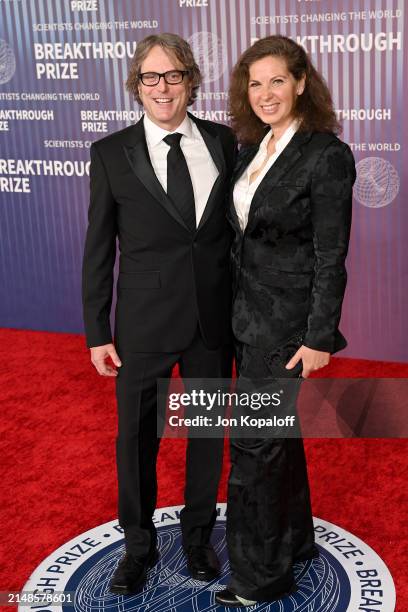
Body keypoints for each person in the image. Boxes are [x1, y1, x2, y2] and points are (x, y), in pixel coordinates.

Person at [82, 33, 236, 594]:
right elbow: (98, 248)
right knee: (136, 440)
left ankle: (198, 540)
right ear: (136, 86)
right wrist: (98, 331)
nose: (163, 86)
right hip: (142, 325)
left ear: (191, 81)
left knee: (206, 438)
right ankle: (138, 546)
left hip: (211, 323)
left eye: (173, 75)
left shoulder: (224, 143)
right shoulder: (109, 152)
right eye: (151, 76)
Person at [215, 35, 356, 607]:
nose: (265, 93)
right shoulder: (253, 148)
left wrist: (320, 336)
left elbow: (332, 254)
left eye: (277, 80)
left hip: (289, 328)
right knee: (277, 438)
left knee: (253, 444)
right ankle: (294, 541)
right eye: (255, 83)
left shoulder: (326, 155)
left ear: (301, 82)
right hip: (246, 317)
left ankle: (259, 576)